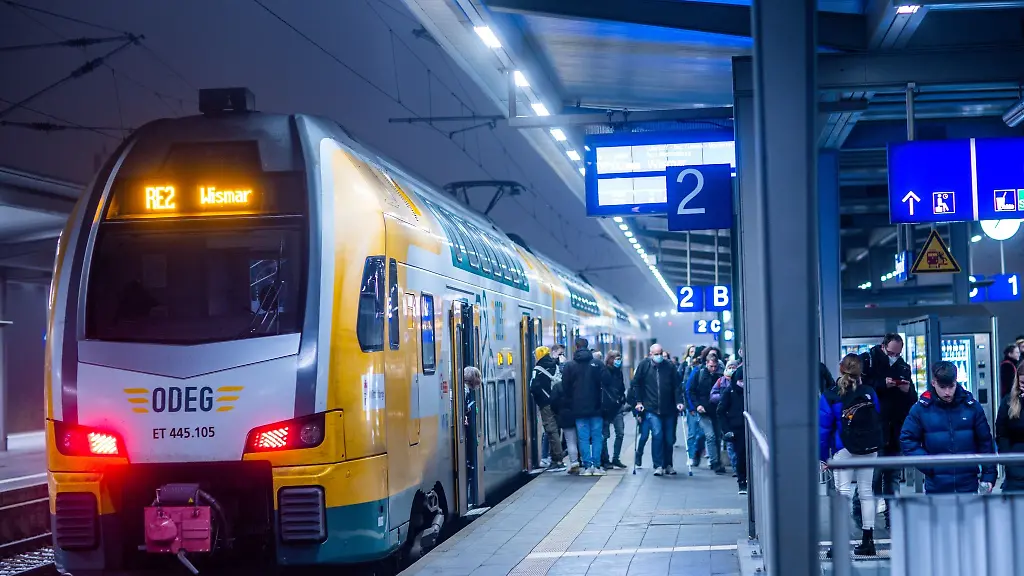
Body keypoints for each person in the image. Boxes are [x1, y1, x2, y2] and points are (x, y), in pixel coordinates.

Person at [900, 361, 997, 494]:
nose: (947, 392)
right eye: (942, 386)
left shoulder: (972, 407)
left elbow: (985, 442)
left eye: (951, 386)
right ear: (933, 383)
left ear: (956, 382)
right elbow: (907, 440)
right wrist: (929, 465)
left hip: (968, 482)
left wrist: (988, 476)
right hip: (936, 485)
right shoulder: (921, 409)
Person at [820, 354, 883, 557]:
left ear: (841, 369)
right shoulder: (869, 392)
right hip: (869, 448)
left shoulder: (831, 395)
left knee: (843, 495)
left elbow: (823, 429)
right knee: (866, 492)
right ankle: (868, 541)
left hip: (843, 449)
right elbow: (877, 417)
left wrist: (823, 456)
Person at [858, 333, 915, 527]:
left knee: (892, 477)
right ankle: (863, 517)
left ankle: (892, 517)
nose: (895, 356)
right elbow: (860, 389)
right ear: (883, 347)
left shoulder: (903, 367)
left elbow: (911, 399)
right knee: (873, 476)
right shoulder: (868, 361)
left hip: (895, 429)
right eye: (891, 352)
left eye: (898, 353)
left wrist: (907, 390)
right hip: (874, 429)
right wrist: (883, 384)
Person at [629, 343, 683, 476]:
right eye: (656, 354)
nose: (659, 356)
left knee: (669, 438)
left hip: (669, 408)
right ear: (650, 354)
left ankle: (668, 464)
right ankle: (658, 465)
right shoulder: (644, 365)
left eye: (660, 353)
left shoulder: (669, 366)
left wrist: (679, 402)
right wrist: (639, 402)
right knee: (658, 435)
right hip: (651, 408)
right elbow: (636, 383)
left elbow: (677, 385)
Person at [561, 337, 608, 477]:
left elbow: (565, 388)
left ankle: (587, 467)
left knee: (583, 438)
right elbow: (607, 382)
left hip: (578, 409)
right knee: (597, 437)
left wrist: (572, 402)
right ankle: (597, 466)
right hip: (597, 408)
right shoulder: (598, 364)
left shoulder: (570, 366)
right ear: (588, 347)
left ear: (576, 347)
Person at [688, 354, 728, 475]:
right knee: (710, 435)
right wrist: (696, 406)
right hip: (703, 411)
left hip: (716, 411)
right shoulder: (699, 374)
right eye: (711, 366)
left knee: (716, 437)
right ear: (706, 364)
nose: (713, 369)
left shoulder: (720, 375)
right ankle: (715, 462)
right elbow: (691, 391)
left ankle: (713, 459)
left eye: (715, 366)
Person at [530, 346, 566, 472]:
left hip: (546, 404)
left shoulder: (538, 368)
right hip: (557, 402)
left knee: (551, 430)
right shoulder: (554, 365)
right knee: (556, 429)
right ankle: (556, 458)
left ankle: (557, 460)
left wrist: (540, 399)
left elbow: (533, 387)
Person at [718, 366, 747, 494]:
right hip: (737, 430)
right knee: (740, 456)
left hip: (746, 427)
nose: (742, 384)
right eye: (740, 381)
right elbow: (721, 411)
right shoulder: (729, 392)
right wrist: (727, 430)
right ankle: (742, 480)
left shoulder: (749, 392)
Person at [996, 359, 1024, 492]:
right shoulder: (1008, 402)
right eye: (1022, 382)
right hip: (1015, 463)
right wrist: (1007, 460)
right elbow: (1002, 432)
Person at [600, 350, 628, 469]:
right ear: (610, 359)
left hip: (618, 407)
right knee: (605, 435)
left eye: (619, 359)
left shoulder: (619, 372)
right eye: (616, 359)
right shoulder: (604, 372)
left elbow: (621, 387)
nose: (618, 361)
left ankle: (616, 458)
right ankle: (605, 459)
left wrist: (622, 399)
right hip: (606, 408)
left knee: (620, 433)